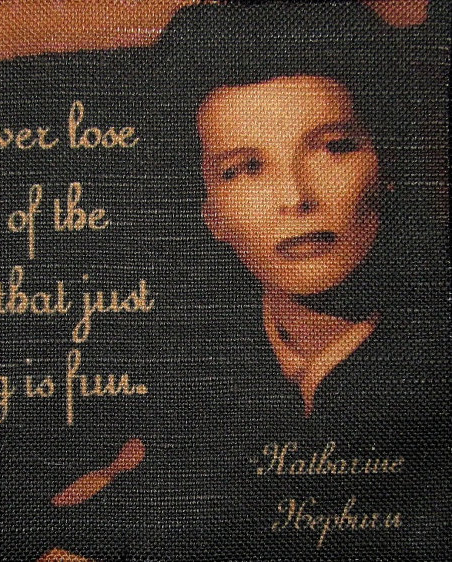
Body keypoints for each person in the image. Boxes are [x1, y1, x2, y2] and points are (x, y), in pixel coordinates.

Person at [151, 2, 449, 558]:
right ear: (211, 212)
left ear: (385, 167)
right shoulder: (187, 373)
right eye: (244, 169)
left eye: (334, 148)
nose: (295, 197)